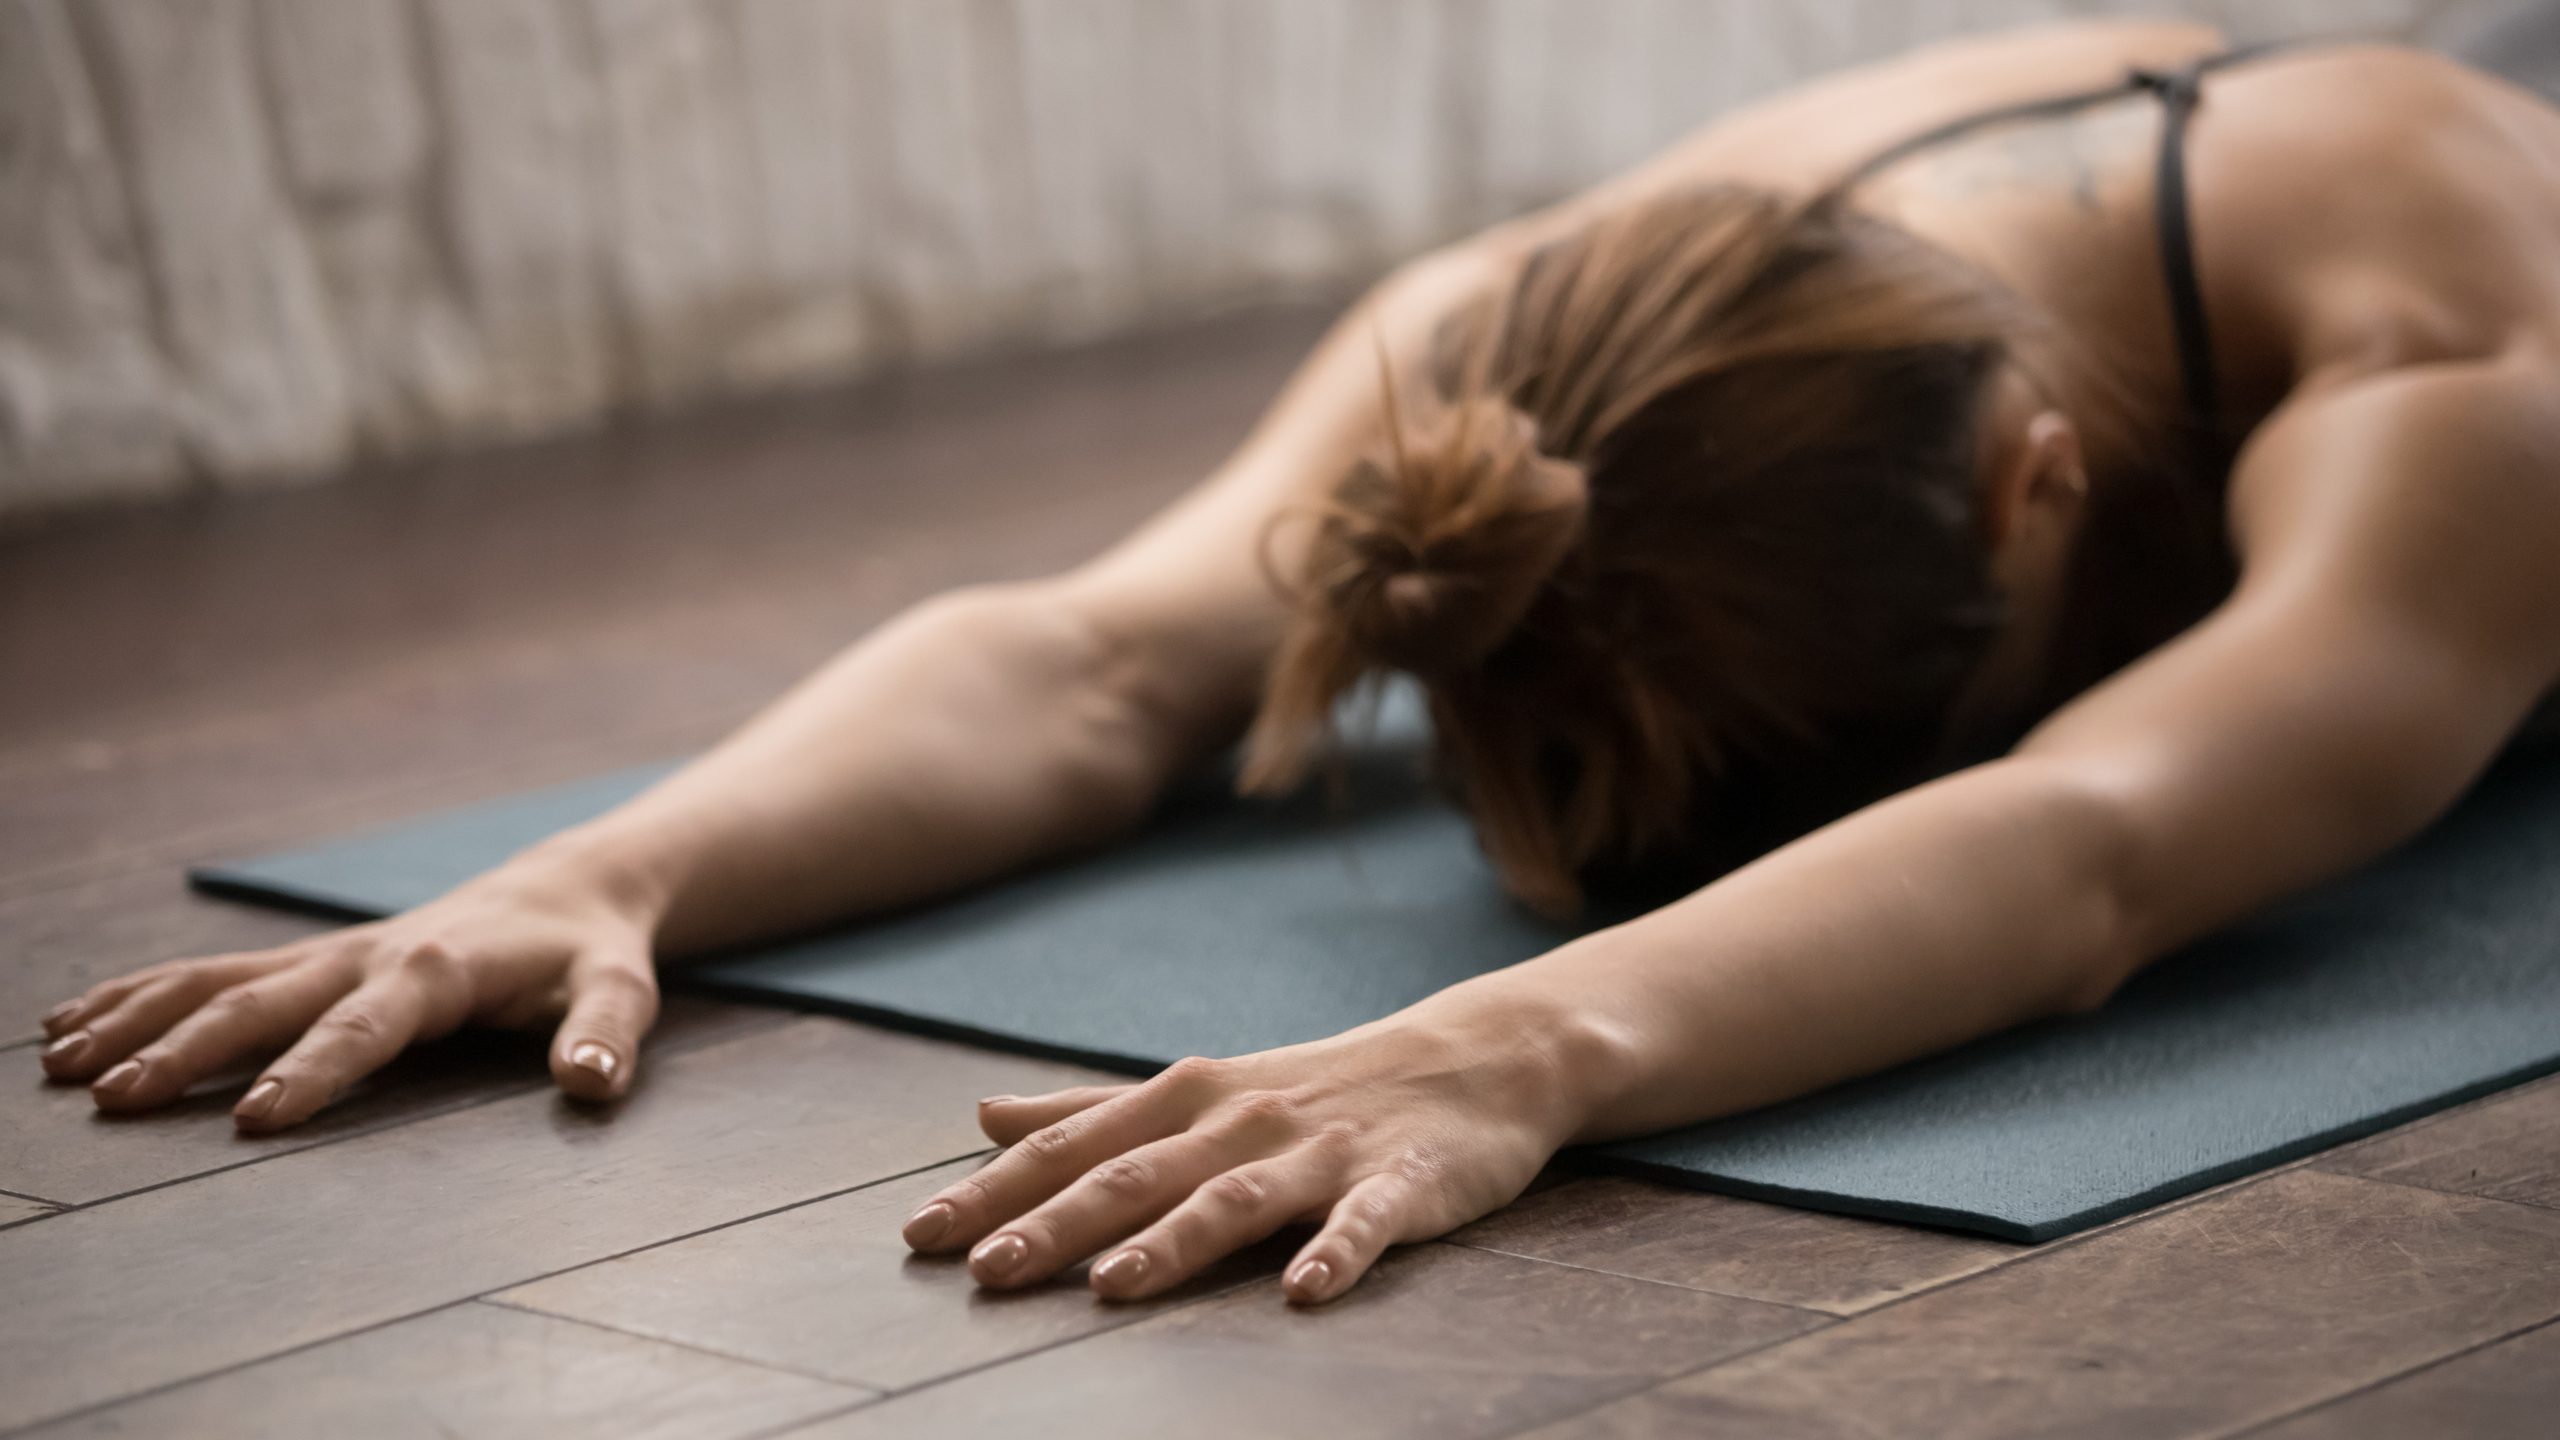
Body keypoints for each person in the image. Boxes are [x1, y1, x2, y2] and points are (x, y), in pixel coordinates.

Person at [37, 21, 2560, 1306]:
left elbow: (2100, 839)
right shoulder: (1523, 332)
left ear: (2040, 484)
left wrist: (1516, 1047)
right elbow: (1095, 665)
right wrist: (599, 869)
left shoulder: (2451, 357)